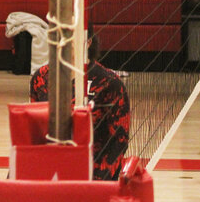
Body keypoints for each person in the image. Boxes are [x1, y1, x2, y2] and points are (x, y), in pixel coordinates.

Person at [29, 33, 130, 181]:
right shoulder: (41, 78)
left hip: (93, 171)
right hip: (51, 168)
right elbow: (34, 131)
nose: (62, 43)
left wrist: (97, 180)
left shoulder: (109, 82)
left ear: (87, 42)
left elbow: (119, 140)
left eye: (69, 38)